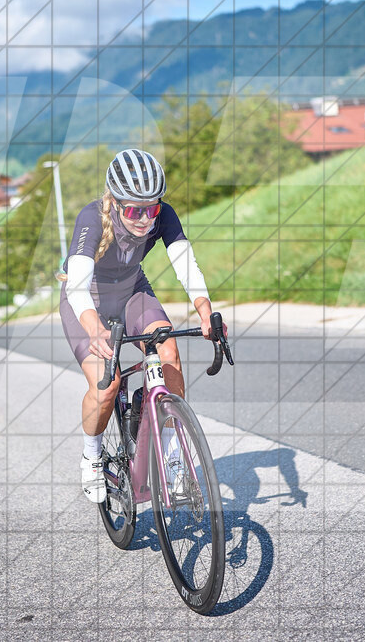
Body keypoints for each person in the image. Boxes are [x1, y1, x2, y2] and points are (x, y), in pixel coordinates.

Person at [59, 149, 225, 503]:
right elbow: (76, 286)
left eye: (152, 208)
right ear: (115, 203)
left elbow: (185, 263)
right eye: (135, 210)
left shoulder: (162, 215)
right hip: (86, 300)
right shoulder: (91, 217)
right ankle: (92, 455)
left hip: (133, 290)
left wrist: (204, 308)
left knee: (169, 353)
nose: (145, 219)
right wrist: (94, 327)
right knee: (107, 383)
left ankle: (173, 456)